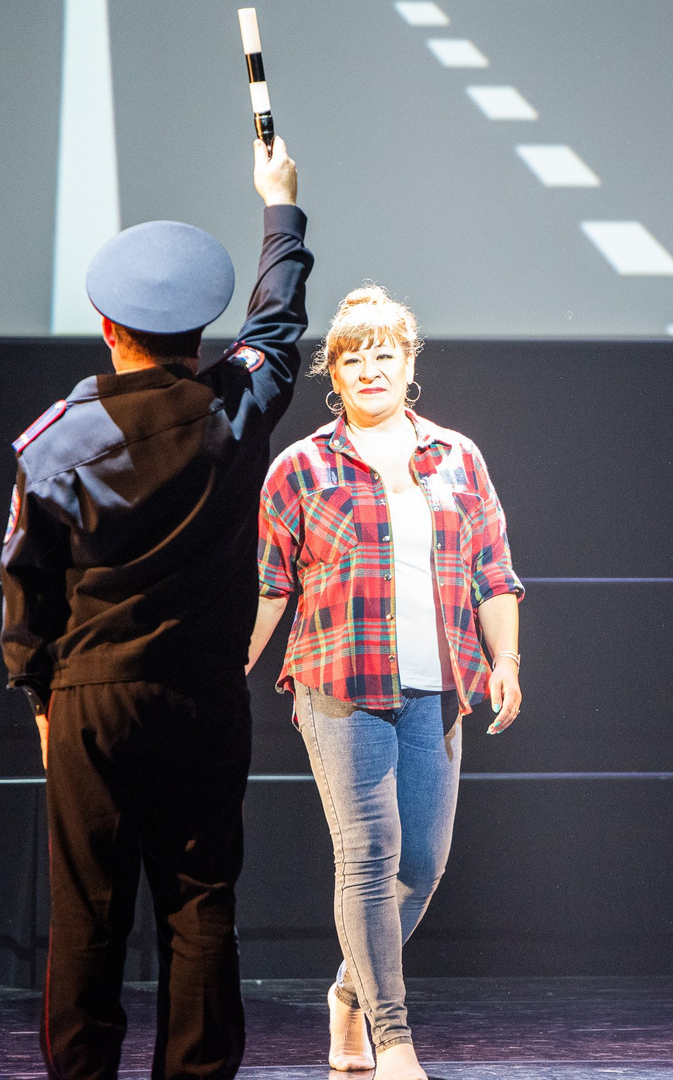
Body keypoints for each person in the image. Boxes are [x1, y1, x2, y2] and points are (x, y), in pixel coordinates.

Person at [0, 137, 310, 1078]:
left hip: (92, 700)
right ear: (201, 333)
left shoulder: (55, 443)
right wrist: (280, 206)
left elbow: (26, 585)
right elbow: (278, 323)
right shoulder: (236, 409)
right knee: (201, 904)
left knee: (88, 914)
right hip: (204, 697)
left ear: (108, 327)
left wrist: (40, 696)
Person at [248, 286, 524, 1080]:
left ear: (409, 365)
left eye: (384, 355)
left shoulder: (457, 456)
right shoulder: (300, 467)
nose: (370, 370)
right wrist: (228, 666)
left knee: (423, 866)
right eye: (353, 359)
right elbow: (270, 588)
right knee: (368, 855)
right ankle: (393, 1036)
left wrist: (506, 661)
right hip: (339, 685)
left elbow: (494, 573)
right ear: (333, 374)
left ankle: (349, 993)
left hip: (440, 688)